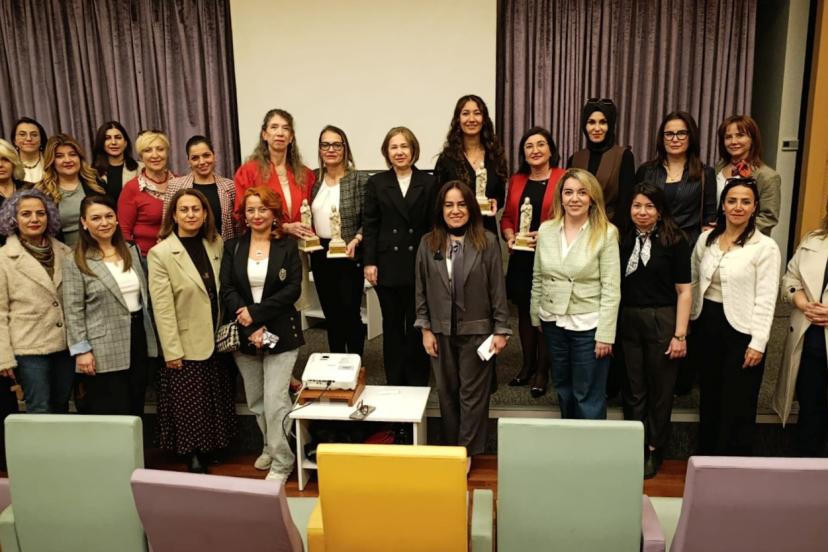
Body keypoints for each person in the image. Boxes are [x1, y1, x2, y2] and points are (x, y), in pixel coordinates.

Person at [415, 181, 510, 467]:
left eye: (461, 204)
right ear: (440, 209)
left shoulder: (487, 242)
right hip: (440, 330)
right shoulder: (427, 243)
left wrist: (501, 329)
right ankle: (451, 448)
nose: (455, 210)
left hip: (478, 332)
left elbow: (497, 289)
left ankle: (465, 453)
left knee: (472, 396)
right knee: (447, 394)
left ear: (470, 208)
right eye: (448, 205)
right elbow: (421, 290)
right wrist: (425, 329)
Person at [220, 186, 304, 480]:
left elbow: (292, 290)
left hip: (281, 333)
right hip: (247, 334)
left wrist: (257, 314)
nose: (257, 215)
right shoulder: (233, 246)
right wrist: (252, 325)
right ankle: (269, 444)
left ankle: (282, 460)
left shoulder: (287, 246)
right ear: (244, 215)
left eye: (263, 209)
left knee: (275, 399)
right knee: (256, 400)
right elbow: (227, 289)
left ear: (274, 213)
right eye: (251, 210)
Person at [148, 188, 235, 473]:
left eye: (196, 209)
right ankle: (193, 453)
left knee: (214, 397)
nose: (190, 215)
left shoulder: (216, 243)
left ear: (205, 213)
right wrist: (171, 350)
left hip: (216, 335)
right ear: (173, 215)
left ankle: (213, 446)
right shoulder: (160, 253)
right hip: (185, 341)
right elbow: (162, 307)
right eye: (184, 210)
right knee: (191, 402)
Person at [691, 178, 780, 455]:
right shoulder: (706, 239)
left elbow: (767, 297)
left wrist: (758, 342)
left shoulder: (765, 247)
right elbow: (694, 279)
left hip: (742, 331)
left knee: (738, 401)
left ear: (755, 207)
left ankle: (733, 464)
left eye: (745, 202)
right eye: (732, 201)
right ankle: (706, 460)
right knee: (710, 395)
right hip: (707, 323)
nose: (738, 207)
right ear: (723, 205)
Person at [530, 168, 621, 420]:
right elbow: (538, 275)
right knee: (563, 389)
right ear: (560, 197)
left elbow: (611, 288)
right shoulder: (546, 230)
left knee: (587, 395)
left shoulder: (606, 232)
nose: (574, 198)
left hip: (588, 325)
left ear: (592, 198)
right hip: (553, 321)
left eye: (582, 192)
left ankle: (589, 446)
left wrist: (606, 335)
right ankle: (569, 441)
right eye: (568, 192)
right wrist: (536, 314)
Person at [619, 183, 691, 477]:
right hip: (628, 319)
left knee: (661, 389)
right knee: (633, 388)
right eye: (637, 206)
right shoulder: (621, 238)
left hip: (662, 319)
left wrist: (680, 334)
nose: (642, 212)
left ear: (660, 211)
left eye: (649, 206)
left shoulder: (675, 240)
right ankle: (633, 446)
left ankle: (654, 447)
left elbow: (684, 291)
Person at [63, 195, 157, 415]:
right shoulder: (75, 260)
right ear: (84, 222)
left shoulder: (131, 251)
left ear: (116, 219)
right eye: (96, 218)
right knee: (111, 410)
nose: (104, 223)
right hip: (101, 347)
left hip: (138, 338)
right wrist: (81, 351)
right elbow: (73, 310)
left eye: (108, 216)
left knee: (136, 406)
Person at [363, 127, 436, 386]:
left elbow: (433, 226)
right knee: (392, 326)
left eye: (404, 146)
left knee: (418, 324)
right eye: (394, 147)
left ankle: (417, 381)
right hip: (387, 265)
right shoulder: (376, 183)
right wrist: (369, 262)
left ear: (414, 150)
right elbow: (370, 226)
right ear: (386, 152)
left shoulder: (429, 182)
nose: (399, 152)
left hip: (420, 263)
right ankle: (395, 381)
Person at [501, 127, 566, 396]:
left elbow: (572, 215)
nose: (535, 150)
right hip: (522, 257)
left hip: (552, 257)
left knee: (545, 313)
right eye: (529, 146)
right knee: (525, 313)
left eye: (541, 144)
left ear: (551, 149)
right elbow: (507, 217)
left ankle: (542, 370)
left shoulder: (563, 177)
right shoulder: (516, 180)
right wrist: (509, 236)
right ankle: (527, 365)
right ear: (523, 153)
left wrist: (547, 234)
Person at [0, 188, 73, 413]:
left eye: (41, 213)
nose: (34, 219)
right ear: (13, 218)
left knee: (62, 408)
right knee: (39, 410)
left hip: (65, 346)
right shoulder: (3, 258)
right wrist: (4, 358)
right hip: (29, 349)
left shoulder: (65, 252)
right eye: (26, 214)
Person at [773, 197, 828, 456]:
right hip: (810, 340)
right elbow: (790, 280)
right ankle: (807, 465)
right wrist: (801, 302)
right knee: (810, 406)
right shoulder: (813, 241)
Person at [309, 125, 367, 356]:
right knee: (330, 313)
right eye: (325, 145)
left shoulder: (359, 180)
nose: (331, 149)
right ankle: (335, 362)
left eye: (336, 145)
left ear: (345, 148)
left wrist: (358, 238)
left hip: (349, 251)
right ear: (320, 149)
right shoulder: (313, 179)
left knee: (350, 312)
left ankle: (355, 363)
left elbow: (370, 218)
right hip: (320, 253)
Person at [635, 111, 717, 246]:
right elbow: (635, 208)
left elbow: (710, 218)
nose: (675, 139)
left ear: (691, 137)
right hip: (651, 244)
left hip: (689, 245)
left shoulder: (706, 173)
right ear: (662, 138)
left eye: (681, 133)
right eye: (669, 134)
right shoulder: (646, 171)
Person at [234, 109, 316, 239]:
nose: (280, 133)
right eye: (274, 127)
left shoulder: (306, 174)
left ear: (291, 137)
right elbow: (241, 215)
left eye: (286, 128)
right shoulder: (248, 172)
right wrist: (284, 228)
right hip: (266, 243)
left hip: (300, 245)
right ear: (264, 135)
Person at [433, 94, 508, 236]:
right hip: (455, 234)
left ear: (484, 119)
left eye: (477, 113)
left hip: (487, 233)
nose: (472, 119)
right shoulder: (446, 159)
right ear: (458, 120)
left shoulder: (495, 156)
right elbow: (438, 199)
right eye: (465, 113)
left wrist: (495, 202)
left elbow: (500, 195)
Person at [567, 98, 636, 227]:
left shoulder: (624, 156)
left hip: (610, 228)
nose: (597, 128)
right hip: (577, 229)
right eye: (591, 122)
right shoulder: (575, 159)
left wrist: (612, 232)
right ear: (584, 126)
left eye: (603, 122)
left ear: (610, 125)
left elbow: (626, 203)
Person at [715, 115, 781, 235]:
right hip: (715, 236)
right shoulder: (717, 169)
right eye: (728, 137)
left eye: (740, 135)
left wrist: (733, 233)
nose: (733, 141)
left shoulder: (767, 176)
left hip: (747, 239)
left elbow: (768, 218)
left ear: (752, 139)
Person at [36, 134, 106, 246]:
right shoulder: (42, 192)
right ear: (52, 161)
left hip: (99, 247)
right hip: (62, 252)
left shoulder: (97, 184)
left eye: (72, 154)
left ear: (80, 158)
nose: (67, 160)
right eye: (59, 156)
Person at [164, 135, 237, 241]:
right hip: (185, 248)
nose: (202, 162)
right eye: (195, 158)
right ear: (188, 161)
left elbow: (237, 227)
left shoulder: (230, 186)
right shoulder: (175, 186)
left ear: (214, 156)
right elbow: (167, 224)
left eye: (206, 155)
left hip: (222, 248)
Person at [119, 130, 175, 257]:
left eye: (160, 149)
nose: (155, 155)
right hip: (146, 257)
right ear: (140, 156)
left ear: (167, 152)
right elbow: (124, 231)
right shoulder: (131, 188)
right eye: (148, 150)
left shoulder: (180, 183)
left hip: (179, 255)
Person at [91, 121, 140, 204]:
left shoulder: (141, 168)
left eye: (118, 137)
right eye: (107, 138)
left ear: (125, 143)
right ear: (101, 143)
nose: (113, 142)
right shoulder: (91, 172)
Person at [0, 139, 32, 247]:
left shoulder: (30, 189)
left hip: (34, 249)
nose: (1, 165)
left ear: (13, 162)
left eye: (6, 159)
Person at [11, 117, 48, 183]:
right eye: (22, 134)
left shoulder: (51, 161)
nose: (29, 139)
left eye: (34, 135)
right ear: (14, 141)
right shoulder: (9, 164)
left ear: (41, 140)